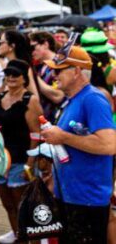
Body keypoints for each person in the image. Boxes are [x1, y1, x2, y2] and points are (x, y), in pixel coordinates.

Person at [40, 45, 116, 243]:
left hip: (87, 200)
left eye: (58, 70)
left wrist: (63, 137)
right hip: (71, 197)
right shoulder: (73, 99)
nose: (53, 74)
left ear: (75, 71)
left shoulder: (92, 99)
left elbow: (109, 145)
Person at [0, 60, 43, 243]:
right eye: (7, 74)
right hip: (0, 160)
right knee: (8, 205)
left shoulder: (29, 100)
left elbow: (37, 134)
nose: (10, 78)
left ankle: (32, 239)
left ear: (24, 78)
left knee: (24, 206)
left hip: (20, 159)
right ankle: (19, 237)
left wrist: (29, 165)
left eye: (15, 74)